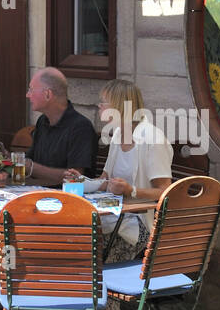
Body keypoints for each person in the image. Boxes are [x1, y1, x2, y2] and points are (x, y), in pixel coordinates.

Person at [65, 78, 172, 262]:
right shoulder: (118, 135)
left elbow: (165, 191)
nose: (99, 105)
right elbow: (105, 180)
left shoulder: (152, 138)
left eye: (103, 101)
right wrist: (82, 180)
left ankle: (89, 288)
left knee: (81, 249)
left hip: (138, 225)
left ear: (119, 106)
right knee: (67, 235)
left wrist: (132, 191)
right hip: (113, 216)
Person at [19, 66, 95, 185]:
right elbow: (28, 161)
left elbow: (75, 177)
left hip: (70, 199)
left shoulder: (80, 127)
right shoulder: (42, 121)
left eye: (31, 90)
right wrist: (4, 158)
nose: (27, 95)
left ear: (48, 94)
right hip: (41, 194)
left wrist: (31, 167)